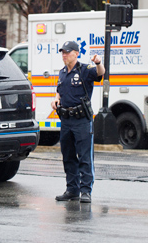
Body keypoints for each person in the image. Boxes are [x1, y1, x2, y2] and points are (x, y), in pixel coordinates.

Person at [51, 41, 105, 203]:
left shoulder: (85, 70)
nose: (64, 55)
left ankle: (86, 191)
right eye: (63, 52)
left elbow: (100, 74)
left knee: (84, 157)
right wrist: (56, 100)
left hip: (82, 120)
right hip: (66, 120)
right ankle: (72, 189)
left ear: (76, 53)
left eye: (67, 52)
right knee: (68, 156)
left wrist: (98, 63)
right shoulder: (62, 73)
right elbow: (60, 91)